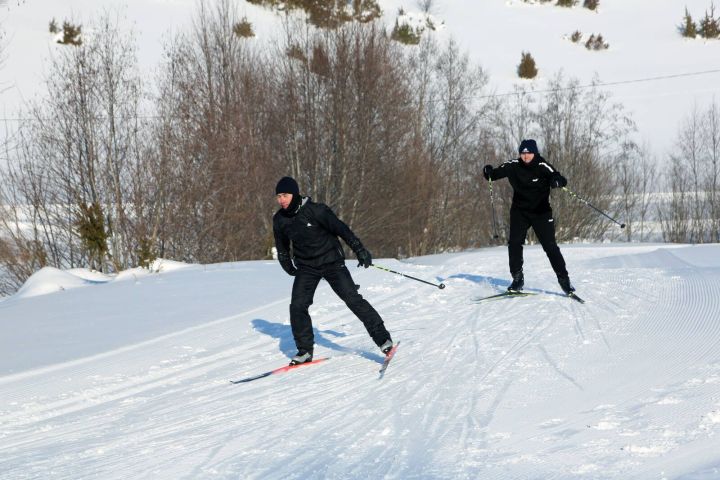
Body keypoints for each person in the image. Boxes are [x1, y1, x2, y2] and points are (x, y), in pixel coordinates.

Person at [272, 176, 394, 365]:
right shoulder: (280, 219)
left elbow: (342, 230)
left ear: (295, 194)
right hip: (307, 267)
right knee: (297, 306)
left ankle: (383, 340)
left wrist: (359, 249)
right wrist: (287, 265)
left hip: (332, 262)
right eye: (279, 196)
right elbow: (282, 247)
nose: (282, 200)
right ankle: (304, 350)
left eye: (285, 195)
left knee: (353, 299)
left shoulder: (316, 211)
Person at [482, 139, 576, 295]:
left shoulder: (541, 165)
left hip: (541, 212)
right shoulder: (513, 165)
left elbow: (558, 176)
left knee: (550, 246)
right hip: (520, 212)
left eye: (529, 153)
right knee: (514, 244)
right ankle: (517, 279)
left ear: (535, 153)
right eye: (523, 153)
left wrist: (557, 181)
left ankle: (564, 281)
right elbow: (494, 175)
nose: (526, 156)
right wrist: (488, 172)